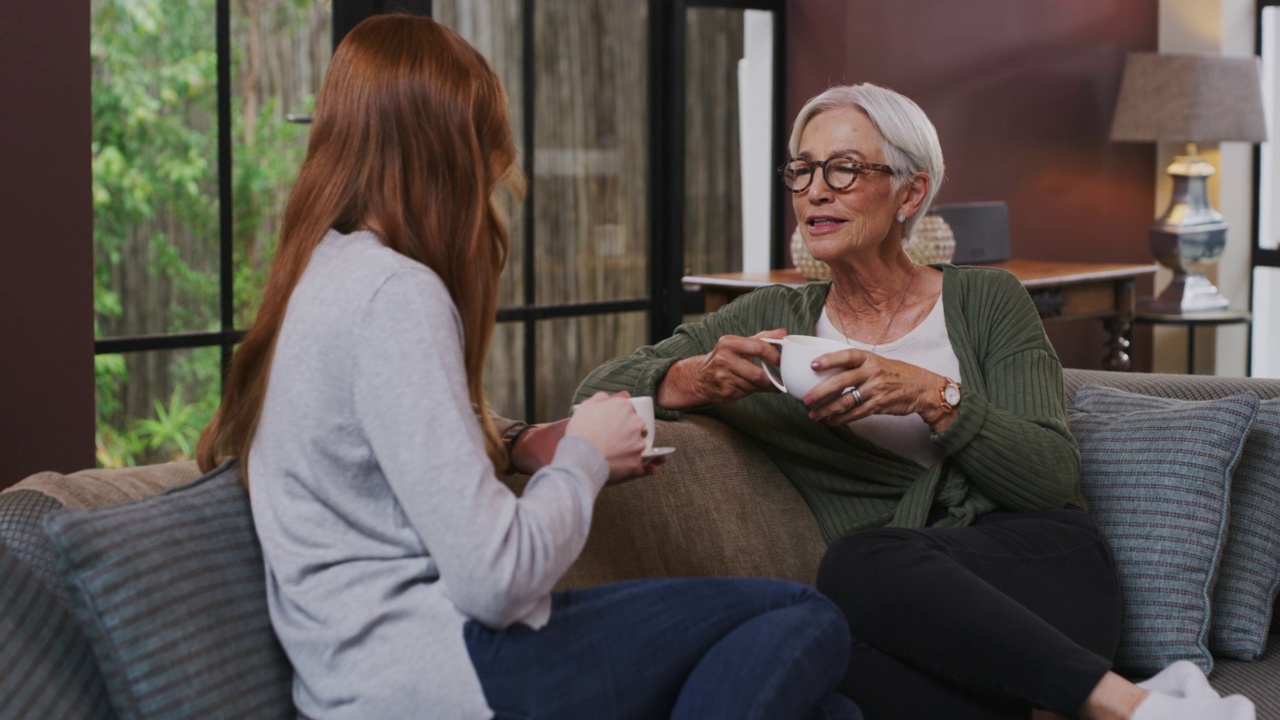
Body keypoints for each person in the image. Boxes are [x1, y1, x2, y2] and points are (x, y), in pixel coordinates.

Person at [195, 14, 861, 720]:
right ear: (442, 159)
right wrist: (584, 458)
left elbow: (395, 450)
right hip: (442, 674)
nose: (484, 207)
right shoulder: (394, 294)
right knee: (807, 615)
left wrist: (518, 442)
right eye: (481, 178)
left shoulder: (322, 276)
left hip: (376, 678)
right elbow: (498, 580)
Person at [572, 82, 1256, 720]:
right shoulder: (772, 317)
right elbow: (594, 394)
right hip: (906, 609)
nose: (815, 191)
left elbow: (1050, 477)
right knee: (818, 659)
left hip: (1042, 572)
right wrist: (690, 380)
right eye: (802, 170)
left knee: (859, 563)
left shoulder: (988, 301)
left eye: (843, 168)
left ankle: (1143, 710)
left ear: (910, 193)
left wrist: (935, 396)